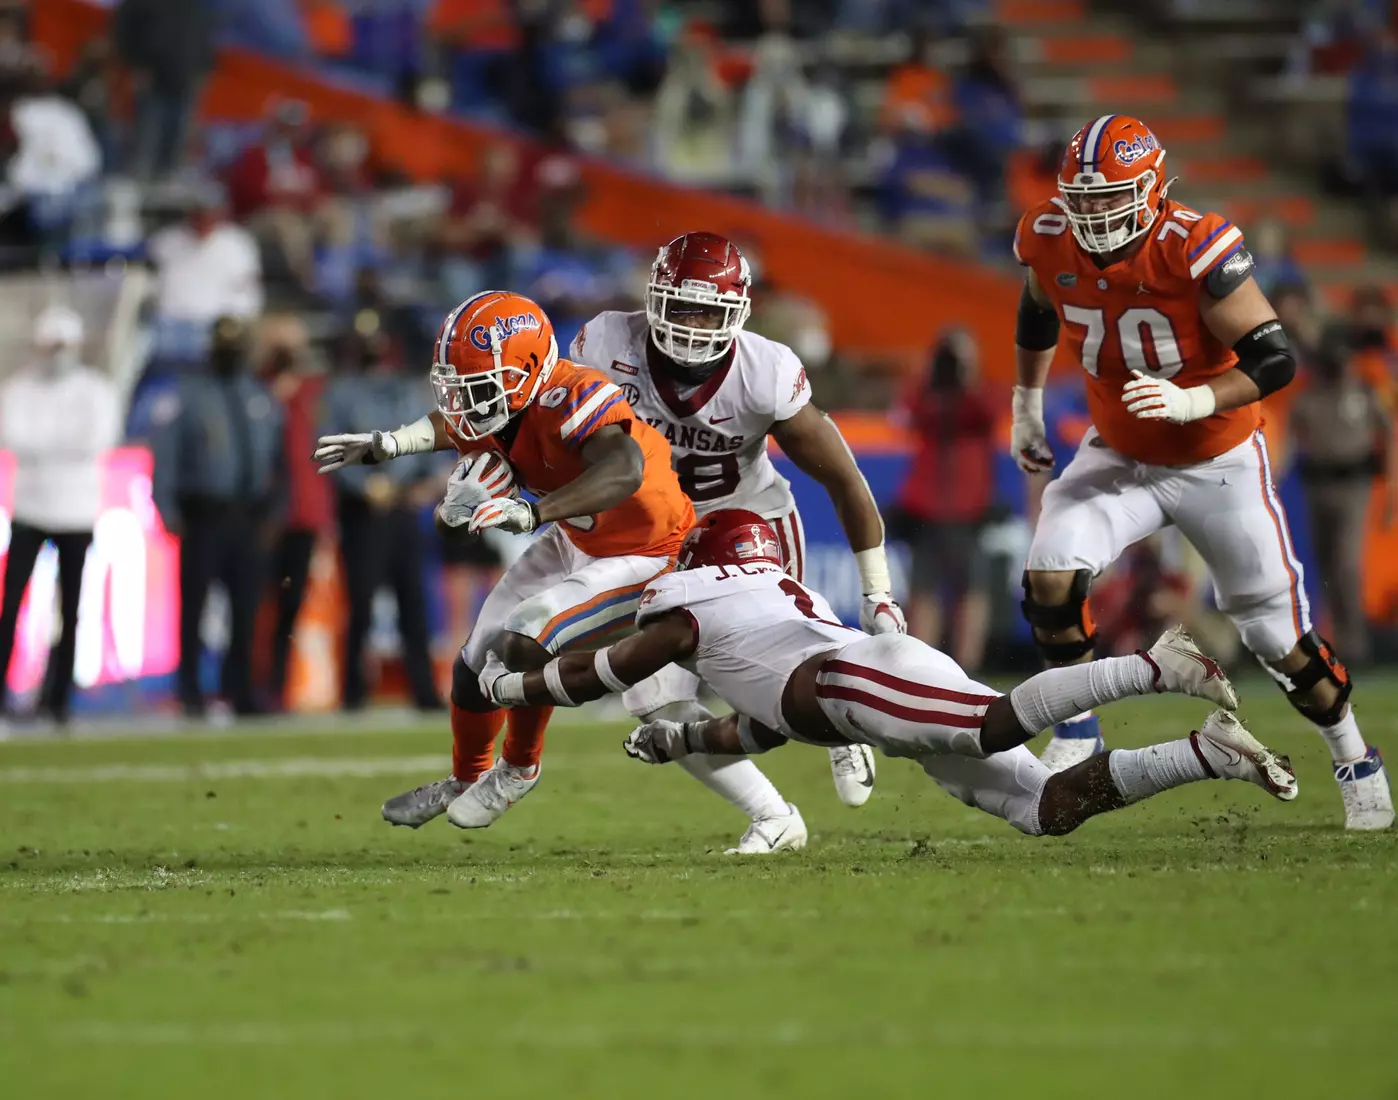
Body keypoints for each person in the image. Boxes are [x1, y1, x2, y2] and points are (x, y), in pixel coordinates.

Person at [1010, 113, 1391, 829]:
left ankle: (1353, 755)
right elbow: (1037, 309)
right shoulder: (1047, 236)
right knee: (1051, 574)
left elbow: (1274, 355)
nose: (1091, 215)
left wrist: (1196, 397)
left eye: (1108, 197)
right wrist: (1025, 404)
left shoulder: (1192, 244)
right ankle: (1077, 729)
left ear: (1151, 190)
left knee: (1278, 638)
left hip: (1217, 459)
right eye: (1082, 199)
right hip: (1121, 452)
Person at [477, 509, 1296, 841]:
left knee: (996, 723)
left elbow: (600, 673)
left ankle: (1155, 665)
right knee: (1046, 809)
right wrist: (680, 739)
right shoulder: (753, 622)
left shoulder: (693, 608)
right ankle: (1208, 752)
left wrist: (514, 686)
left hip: (854, 683)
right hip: (856, 688)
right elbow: (761, 725)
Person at [568, 231, 903, 851]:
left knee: (797, 665)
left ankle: (844, 718)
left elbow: (845, 480)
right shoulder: (607, 343)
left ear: (741, 312)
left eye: (708, 310)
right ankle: (775, 817)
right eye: (681, 307)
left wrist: (877, 591)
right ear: (652, 299)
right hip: (659, 533)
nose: (692, 327)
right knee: (655, 697)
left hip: (750, 521)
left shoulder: (765, 371)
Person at [313, 291, 695, 832]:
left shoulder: (574, 393)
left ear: (529, 370)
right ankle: (465, 779)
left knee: (523, 641)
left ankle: (519, 767)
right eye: (458, 387)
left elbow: (624, 468)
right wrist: (387, 444)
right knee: (474, 662)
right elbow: (455, 424)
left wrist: (535, 512)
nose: (463, 402)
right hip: (579, 537)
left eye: (478, 387)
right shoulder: (503, 402)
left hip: (645, 550)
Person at [151, 315, 284, 718]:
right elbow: (167, 458)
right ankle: (190, 690)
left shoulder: (260, 397)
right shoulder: (189, 397)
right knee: (193, 606)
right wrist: (168, 509)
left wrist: (276, 512)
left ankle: (240, 689)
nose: (230, 354)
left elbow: (278, 462)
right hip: (204, 514)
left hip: (248, 515)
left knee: (245, 609)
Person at [0, 306, 119, 722]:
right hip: (30, 509)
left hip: (76, 512)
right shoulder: (19, 389)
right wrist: (60, 446)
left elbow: (97, 440)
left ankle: (59, 698)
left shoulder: (94, 390)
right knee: (11, 604)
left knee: (72, 608)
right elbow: (13, 437)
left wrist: (44, 447)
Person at [320, 318, 442, 713]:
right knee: (361, 604)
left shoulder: (406, 391)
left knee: (414, 604)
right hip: (364, 513)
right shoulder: (342, 393)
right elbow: (330, 447)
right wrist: (364, 487)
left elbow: (426, 440)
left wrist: (423, 484)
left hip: (402, 508)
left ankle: (423, 691)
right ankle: (352, 692)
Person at [1289, 341, 1398, 665]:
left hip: (1354, 483)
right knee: (1325, 565)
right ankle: (1335, 640)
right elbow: (1296, 435)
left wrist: (1391, 483)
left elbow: (1388, 431)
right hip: (1319, 483)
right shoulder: (1309, 394)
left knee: (1347, 564)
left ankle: (1356, 646)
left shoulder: (1364, 393)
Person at [893, 329, 996, 672]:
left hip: (968, 509)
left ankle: (969, 670)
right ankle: (922, 671)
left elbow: (988, 413)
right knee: (924, 592)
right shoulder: (926, 394)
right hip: (927, 507)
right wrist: (931, 374)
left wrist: (967, 374)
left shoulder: (975, 397)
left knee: (972, 591)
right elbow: (905, 416)